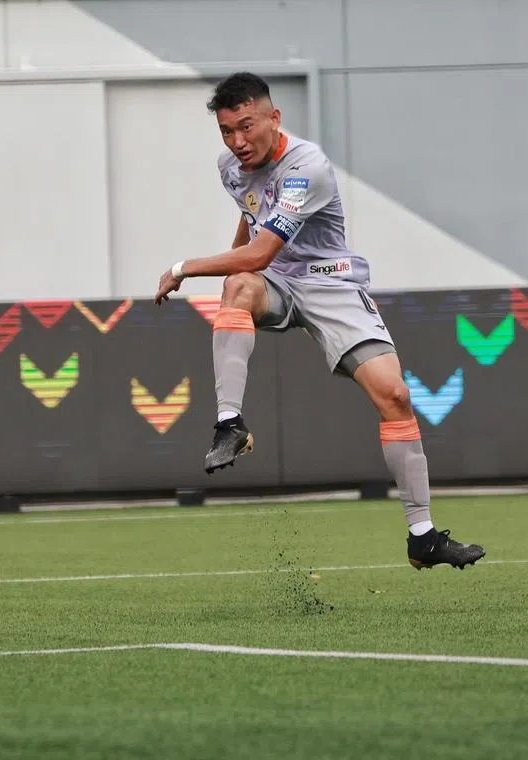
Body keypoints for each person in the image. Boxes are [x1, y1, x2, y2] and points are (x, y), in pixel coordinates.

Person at [153, 72, 485, 571]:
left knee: (394, 396)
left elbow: (261, 248)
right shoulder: (230, 168)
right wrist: (232, 264)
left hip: (331, 286)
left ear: (274, 117)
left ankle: (423, 537)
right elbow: (252, 229)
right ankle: (229, 424)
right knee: (238, 288)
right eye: (226, 131)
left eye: (246, 127)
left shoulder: (307, 166)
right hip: (278, 281)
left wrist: (183, 269)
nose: (237, 142)